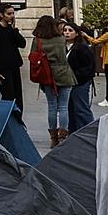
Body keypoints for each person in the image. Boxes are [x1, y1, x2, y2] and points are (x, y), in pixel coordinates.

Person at [32, 13, 76, 146]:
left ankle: (53, 138)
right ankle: (63, 136)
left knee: (52, 107)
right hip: (64, 73)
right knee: (63, 107)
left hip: (47, 75)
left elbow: (33, 58)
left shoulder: (37, 40)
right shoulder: (61, 39)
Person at [0, 5, 26, 115]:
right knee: (8, 96)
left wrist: (14, 29)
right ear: (1, 15)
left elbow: (22, 43)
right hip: (3, 69)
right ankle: (9, 118)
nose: (12, 16)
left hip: (14, 67)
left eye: (13, 13)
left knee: (18, 96)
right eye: (9, 14)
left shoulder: (11, 30)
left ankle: (18, 117)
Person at [63, 21, 98, 131]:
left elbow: (89, 67)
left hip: (80, 82)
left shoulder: (82, 47)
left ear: (76, 33)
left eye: (70, 31)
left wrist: (76, 75)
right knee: (70, 108)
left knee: (81, 108)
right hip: (68, 83)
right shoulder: (63, 47)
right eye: (65, 30)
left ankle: (88, 131)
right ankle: (73, 131)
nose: (67, 33)